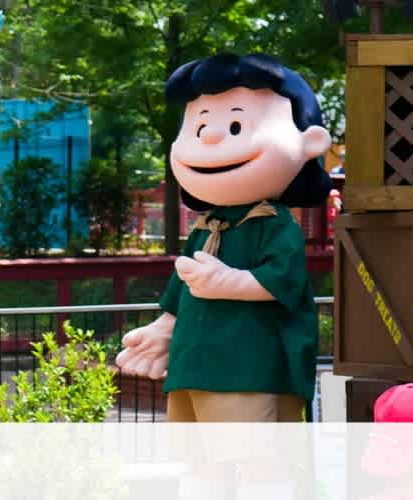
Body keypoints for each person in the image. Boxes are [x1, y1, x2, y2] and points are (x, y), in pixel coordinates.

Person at [115, 53, 333, 500]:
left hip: (247, 368)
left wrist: (228, 282)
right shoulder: (204, 226)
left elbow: (282, 282)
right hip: (196, 366)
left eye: (235, 126)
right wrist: (164, 329)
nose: (212, 136)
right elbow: (181, 292)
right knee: (198, 468)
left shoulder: (274, 224)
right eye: (199, 126)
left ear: (309, 142)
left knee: (259, 466)